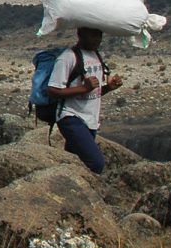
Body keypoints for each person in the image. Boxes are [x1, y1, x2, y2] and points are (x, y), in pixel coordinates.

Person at [47, 26, 123, 174]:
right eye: (92, 35)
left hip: (90, 120)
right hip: (71, 117)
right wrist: (84, 88)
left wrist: (108, 87)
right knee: (96, 163)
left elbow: (94, 92)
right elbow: (52, 90)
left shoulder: (96, 55)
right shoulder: (68, 57)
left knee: (74, 161)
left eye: (99, 35)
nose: (97, 40)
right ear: (80, 34)